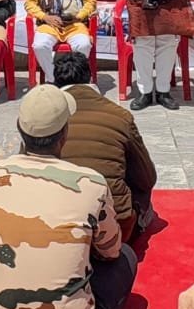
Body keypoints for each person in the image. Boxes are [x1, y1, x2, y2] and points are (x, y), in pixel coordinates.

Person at [0, 85, 137, 309]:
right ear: (64, 134)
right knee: (127, 257)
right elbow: (111, 251)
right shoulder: (91, 183)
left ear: (20, 129)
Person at [53, 51, 156, 242]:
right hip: (113, 225)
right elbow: (147, 179)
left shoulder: (43, 117)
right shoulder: (119, 115)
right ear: (90, 76)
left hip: (54, 221)